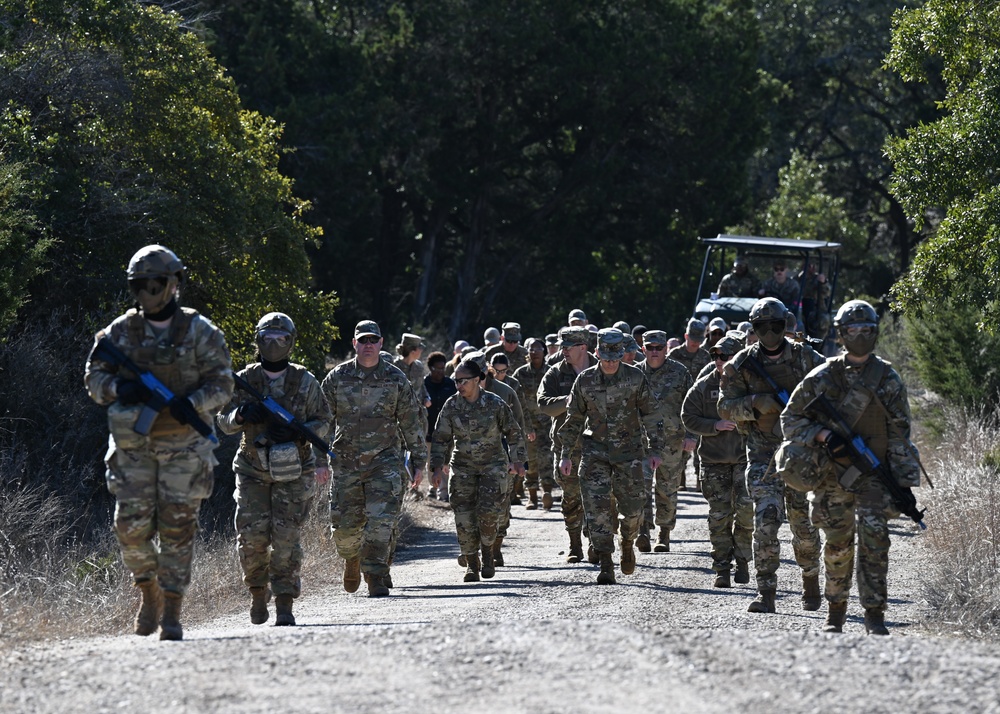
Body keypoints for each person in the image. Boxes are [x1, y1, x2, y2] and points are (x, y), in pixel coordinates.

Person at [84, 245, 234, 641]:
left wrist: (192, 403)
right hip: (134, 448)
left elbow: (223, 384)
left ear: (174, 284)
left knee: (178, 530)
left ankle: (171, 608)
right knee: (129, 530)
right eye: (140, 284)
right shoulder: (119, 332)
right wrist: (121, 387)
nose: (148, 290)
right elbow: (93, 380)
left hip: (184, 448)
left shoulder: (201, 331)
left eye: (156, 283)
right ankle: (147, 589)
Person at [779, 300, 921, 635]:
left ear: (875, 333)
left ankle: (874, 614)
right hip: (832, 474)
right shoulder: (823, 376)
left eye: (866, 330)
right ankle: (836, 610)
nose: (859, 335)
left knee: (876, 542)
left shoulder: (888, 378)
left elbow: (901, 432)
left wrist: (902, 484)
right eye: (853, 330)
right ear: (841, 334)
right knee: (839, 543)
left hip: (874, 475)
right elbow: (790, 419)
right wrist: (822, 434)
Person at [218, 312, 332, 626]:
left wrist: (298, 431)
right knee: (252, 538)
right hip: (253, 469)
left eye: (280, 338)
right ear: (258, 341)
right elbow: (222, 421)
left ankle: (284, 603)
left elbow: (323, 421)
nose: (273, 344)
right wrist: (241, 414)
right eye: (267, 338)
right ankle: (257, 593)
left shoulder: (304, 380)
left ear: (290, 342)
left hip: (294, 471)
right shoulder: (245, 379)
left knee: (286, 539)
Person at [718, 297, 824, 614]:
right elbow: (724, 407)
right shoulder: (741, 363)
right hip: (764, 456)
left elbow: (832, 390)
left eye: (775, 326)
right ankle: (766, 592)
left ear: (785, 325)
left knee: (803, 527)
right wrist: (755, 403)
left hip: (801, 455)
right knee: (765, 521)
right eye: (762, 327)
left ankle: (810, 580)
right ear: (754, 329)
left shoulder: (806, 357)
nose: (770, 333)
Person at [321, 320, 424, 597]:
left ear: (381, 344)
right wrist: (317, 459)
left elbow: (410, 421)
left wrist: (419, 460)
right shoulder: (337, 378)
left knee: (382, 522)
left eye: (373, 340)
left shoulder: (395, 378)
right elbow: (321, 421)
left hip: (385, 461)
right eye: (362, 340)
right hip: (345, 463)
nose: (368, 345)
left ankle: (376, 575)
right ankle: (352, 559)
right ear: (354, 343)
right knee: (344, 531)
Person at [558, 329, 664, 584]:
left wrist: (655, 449)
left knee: (633, 510)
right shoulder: (584, 381)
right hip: (594, 453)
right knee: (597, 510)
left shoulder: (636, 378)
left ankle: (627, 543)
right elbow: (572, 420)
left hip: (630, 454)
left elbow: (651, 414)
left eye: (615, 358)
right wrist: (566, 455)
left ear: (622, 355)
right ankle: (606, 562)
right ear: (597, 353)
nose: (610, 363)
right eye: (606, 358)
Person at [431, 359, 526, 582]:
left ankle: (488, 554)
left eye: (463, 381)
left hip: (493, 466)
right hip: (462, 467)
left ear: (477, 380)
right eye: (456, 381)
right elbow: (440, 438)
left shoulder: (495, 403)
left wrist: (518, 461)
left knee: (488, 514)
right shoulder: (451, 405)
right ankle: (472, 564)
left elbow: (513, 431)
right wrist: (436, 468)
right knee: (463, 517)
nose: (459, 386)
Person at [681, 334, 753, 588]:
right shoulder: (703, 386)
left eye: (725, 356)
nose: (719, 360)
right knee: (719, 516)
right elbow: (687, 416)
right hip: (714, 462)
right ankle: (722, 567)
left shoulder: (751, 384)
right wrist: (714, 425)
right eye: (715, 356)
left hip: (746, 461)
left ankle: (743, 561)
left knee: (746, 514)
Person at [537, 326, 598, 562]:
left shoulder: (602, 368)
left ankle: (596, 543)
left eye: (567, 346)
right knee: (572, 498)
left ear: (583, 347)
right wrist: (568, 400)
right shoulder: (555, 373)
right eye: (561, 346)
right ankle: (575, 545)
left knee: (598, 497)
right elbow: (543, 404)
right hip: (567, 449)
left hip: (598, 446)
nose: (562, 350)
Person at [637, 330, 694, 553]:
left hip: (672, 441)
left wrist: (691, 435)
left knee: (667, 489)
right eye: (649, 347)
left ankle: (664, 533)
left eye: (658, 348)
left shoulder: (680, 373)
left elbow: (691, 407)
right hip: (642, 441)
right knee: (640, 486)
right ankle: (643, 530)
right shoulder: (634, 374)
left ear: (665, 349)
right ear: (643, 349)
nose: (654, 352)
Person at [513, 338, 555, 510]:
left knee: (547, 459)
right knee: (530, 460)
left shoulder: (552, 372)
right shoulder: (520, 373)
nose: (534, 352)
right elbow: (513, 397)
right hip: (527, 424)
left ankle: (547, 492)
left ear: (544, 351)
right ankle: (532, 497)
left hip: (548, 423)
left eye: (538, 349)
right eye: (531, 349)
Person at [393, 333, 431, 496]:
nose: (422, 350)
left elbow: (421, 387)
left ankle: (415, 488)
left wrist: (426, 397)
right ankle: (402, 487)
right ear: (413, 350)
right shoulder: (393, 367)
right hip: (397, 418)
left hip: (417, 416)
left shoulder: (418, 367)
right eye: (420, 347)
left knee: (417, 450)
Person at [424, 351, 457, 500]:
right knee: (431, 460)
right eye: (437, 369)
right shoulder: (424, 384)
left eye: (442, 368)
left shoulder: (450, 384)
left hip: (447, 430)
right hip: (429, 429)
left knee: (445, 460)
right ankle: (433, 487)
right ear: (430, 368)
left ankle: (443, 492)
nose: (440, 372)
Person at [799, 263, 832, 341]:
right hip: (801, 307)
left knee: (823, 320)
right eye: (809, 265)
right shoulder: (798, 278)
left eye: (813, 265)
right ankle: (799, 341)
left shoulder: (818, 278)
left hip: (817, 307)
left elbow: (827, 293)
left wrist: (823, 283)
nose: (811, 268)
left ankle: (818, 343)